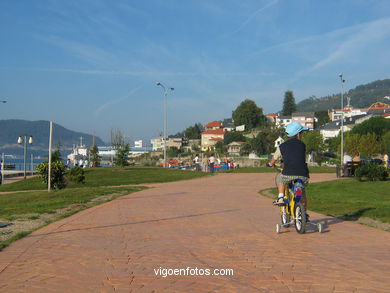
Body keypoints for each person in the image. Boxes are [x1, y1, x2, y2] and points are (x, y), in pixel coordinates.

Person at [268, 122, 310, 207]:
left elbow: (274, 159)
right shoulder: (302, 145)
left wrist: (271, 164)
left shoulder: (282, 146)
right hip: (303, 175)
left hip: (288, 174)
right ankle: (304, 215)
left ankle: (280, 197)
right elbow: (303, 158)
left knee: (280, 178)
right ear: (298, 134)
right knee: (302, 193)